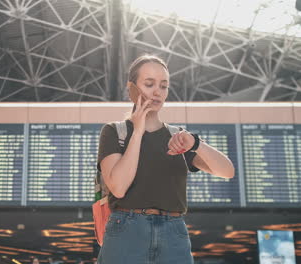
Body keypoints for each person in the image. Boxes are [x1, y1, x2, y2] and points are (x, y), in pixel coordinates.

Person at [96, 54, 235, 264]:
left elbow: (227, 171)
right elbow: (119, 187)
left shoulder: (177, 137)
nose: (157, 92)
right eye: (149, 84)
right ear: (132, 88)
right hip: (126, 230)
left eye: (163, 86)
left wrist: (196, 144)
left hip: (174, 232)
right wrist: (138, 131)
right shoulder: (115, 132)